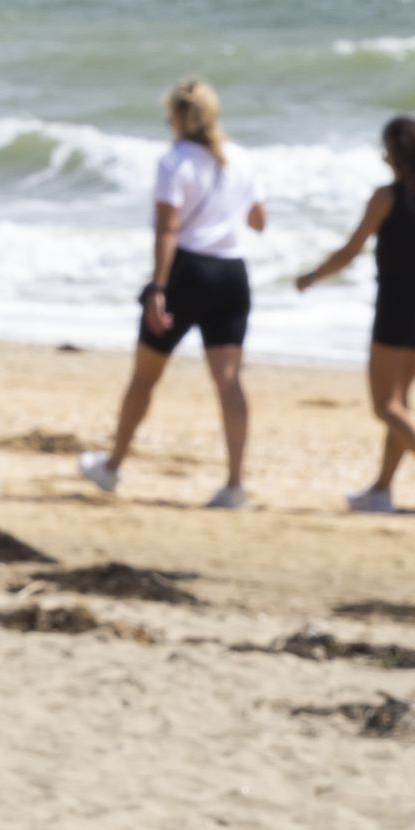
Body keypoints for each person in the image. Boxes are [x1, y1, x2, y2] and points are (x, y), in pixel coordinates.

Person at [80, 80, 265, 510]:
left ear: (180, 118)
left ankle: (112, 466)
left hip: (189, 271)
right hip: (233, 274)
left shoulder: (175, 161)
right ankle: (235, 484)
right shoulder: (241, 159)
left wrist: (158, 288)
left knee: (145, 375)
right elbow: (259, 220)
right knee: (228, 381)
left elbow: (168, 229)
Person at [291, 115, 415, 517]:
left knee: (384, 405)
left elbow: (351, 251)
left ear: (397, 154)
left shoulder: (387, 198)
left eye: (387, 149)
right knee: (400, 403)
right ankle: (382, 491)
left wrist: (313, 276)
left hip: (397, 306)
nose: (384, 157)